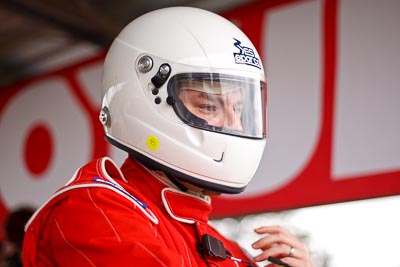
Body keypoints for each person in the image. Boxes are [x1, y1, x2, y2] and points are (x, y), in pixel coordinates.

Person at [22, 6, 314, 267]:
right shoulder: (91, 211)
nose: (234, 123)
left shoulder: (227, 248)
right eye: (209, 105)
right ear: (142, 99)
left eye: (240, 109)